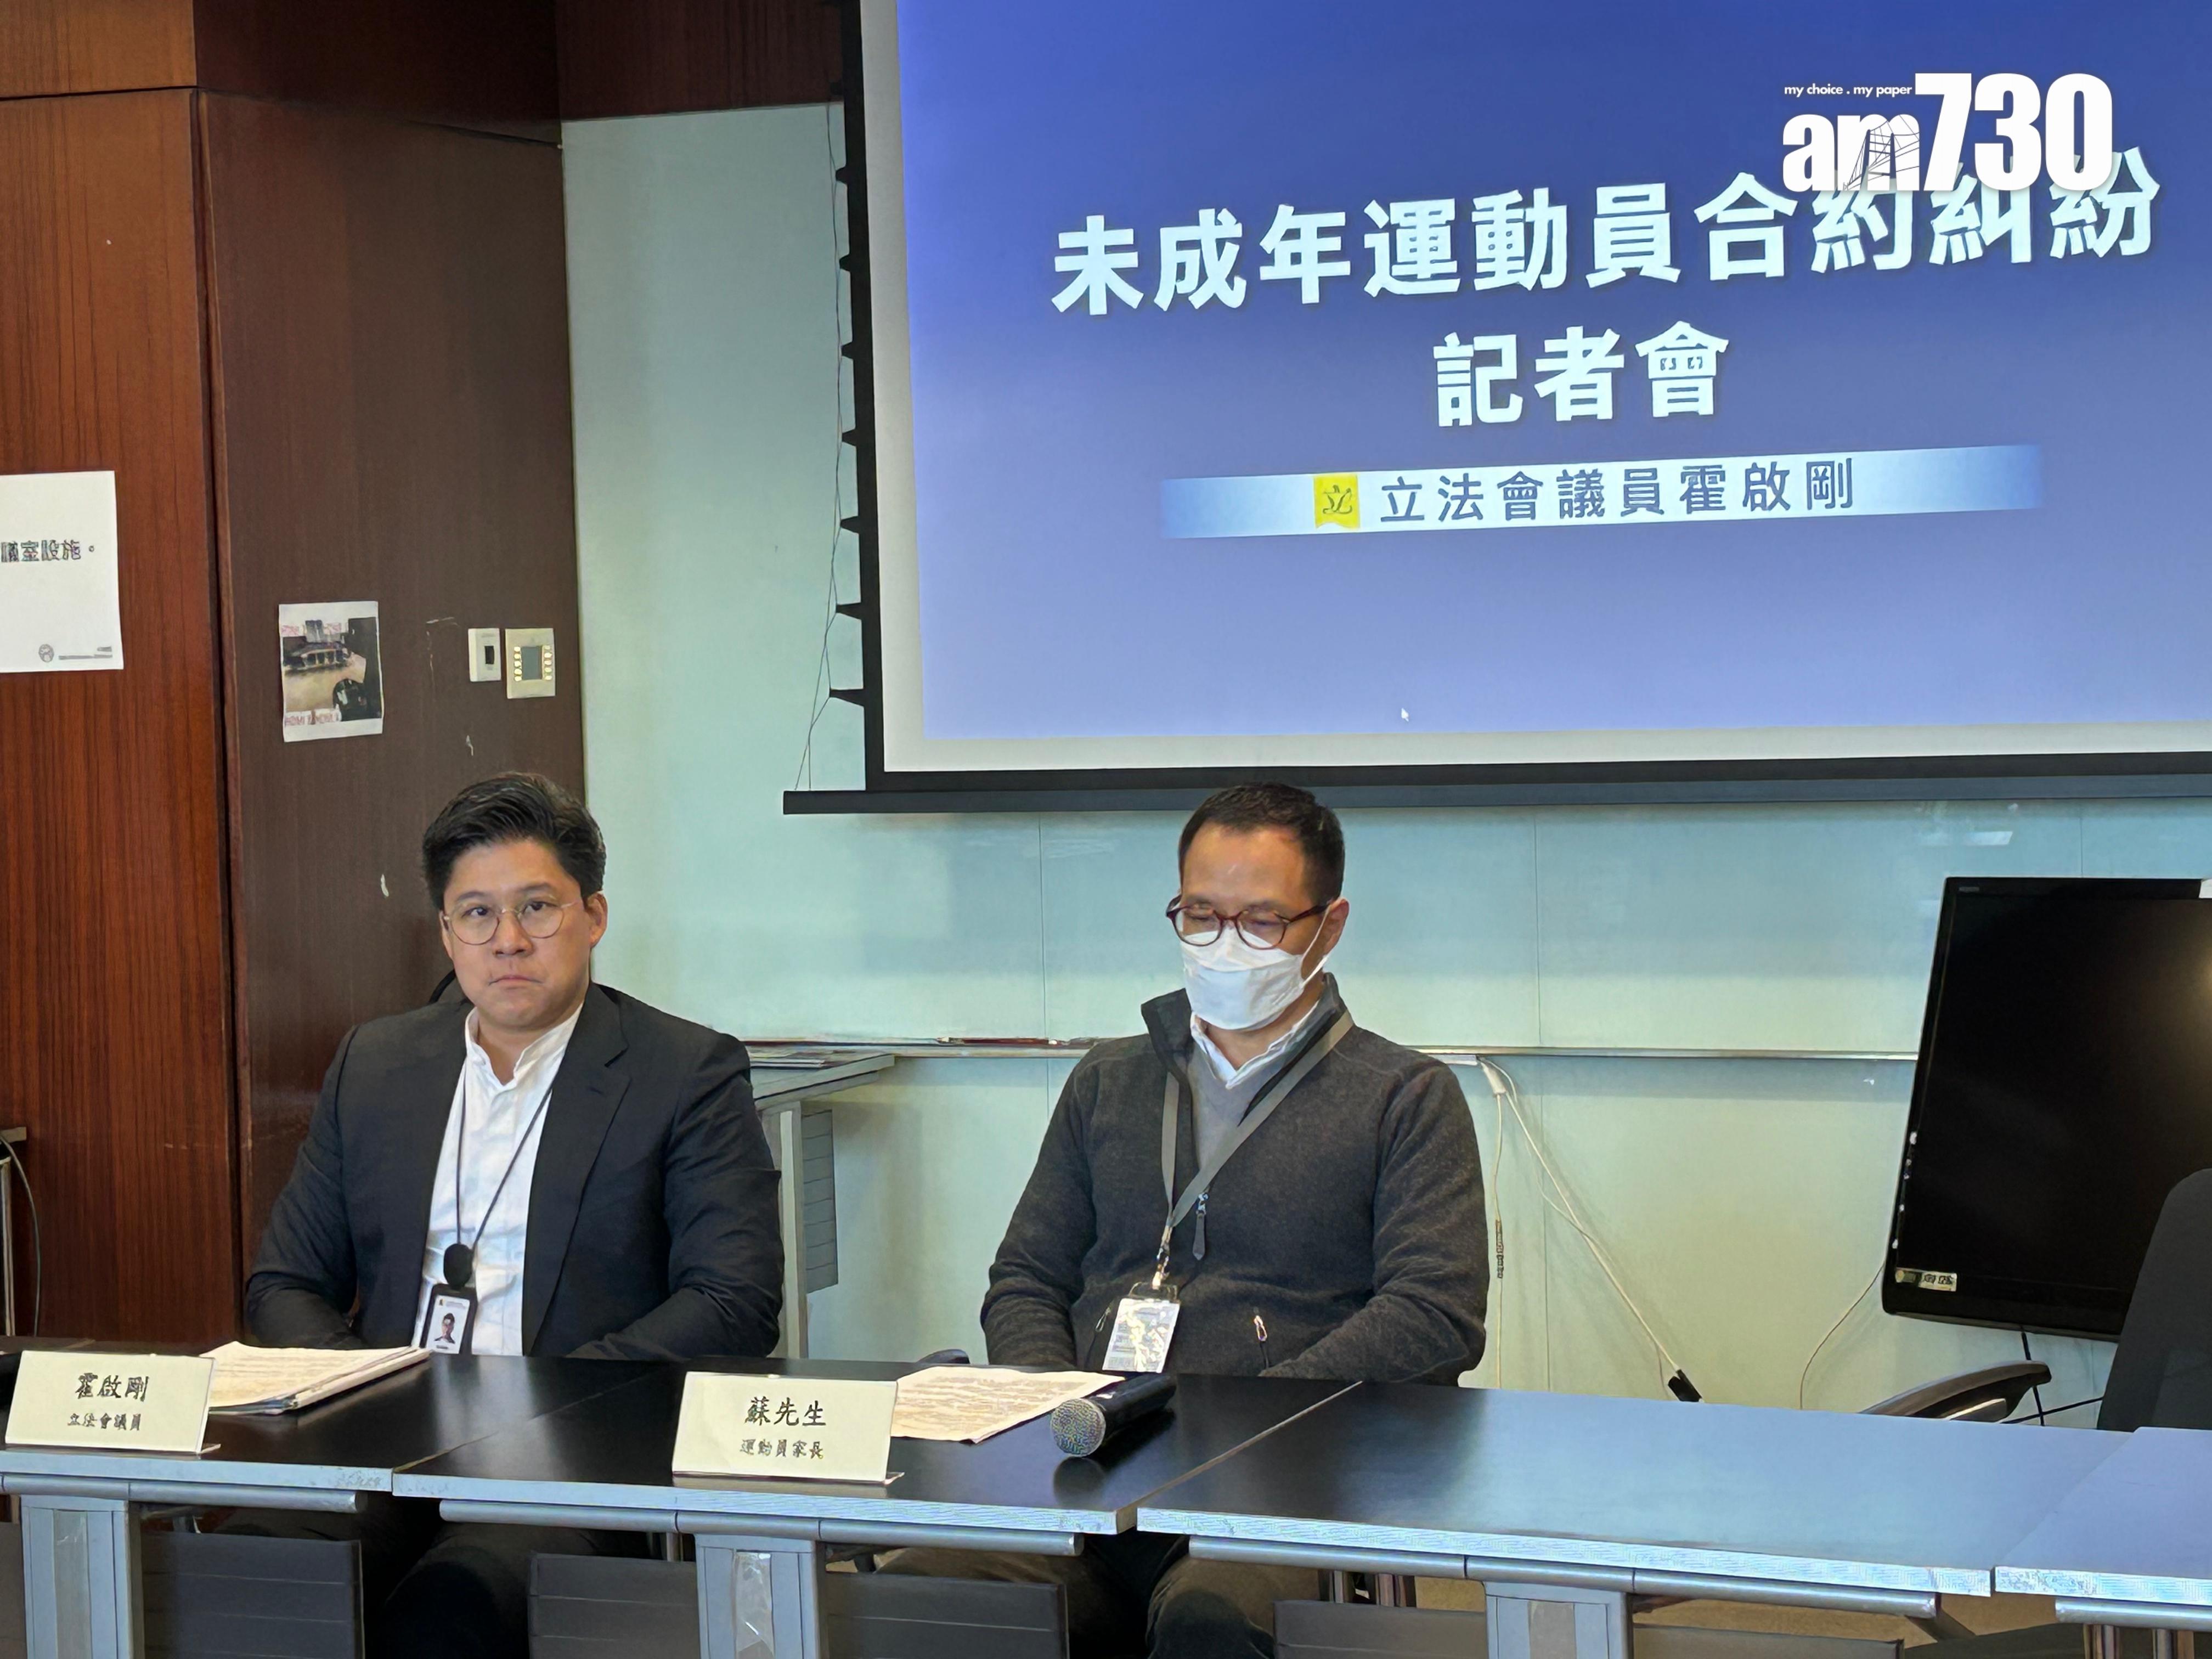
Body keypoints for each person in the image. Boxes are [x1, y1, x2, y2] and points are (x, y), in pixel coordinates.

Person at [885, 782, 1487, 1659]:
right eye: (1201, 916)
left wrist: (1248, 1421)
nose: (1224, 944)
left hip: (1285, 1490)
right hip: (1089, 1479)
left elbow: (1433, 1316)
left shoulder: (1405, 1097)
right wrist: (1061, 1407)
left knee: (1212, 1619)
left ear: (1329, 926)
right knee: (921, 1596)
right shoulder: (1107, 1082)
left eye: (1261, 921)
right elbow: (1027, 1278)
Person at [242, 772, 783, 1659]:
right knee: (253, 1570)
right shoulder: (375, 1064)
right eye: (478, 914)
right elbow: (285, 1284)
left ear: (593, 916)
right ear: (446, 932)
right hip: (384, 1447)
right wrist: (368, 1396)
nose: (509, 941)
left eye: (537, 907)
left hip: (574, 1459)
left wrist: (544, 1399)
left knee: (456, 1602)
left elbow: (735, 1300)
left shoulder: (684, 1073)